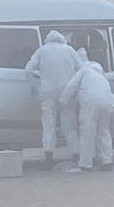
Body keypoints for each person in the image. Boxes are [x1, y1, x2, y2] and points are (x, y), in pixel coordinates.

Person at [25, 30, 82, 169]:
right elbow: (81, 69)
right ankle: (76, 153)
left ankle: (49, 155)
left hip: (47, 92)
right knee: (69, 123)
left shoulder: (41, 51)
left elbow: (28, 70)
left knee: (48, 123)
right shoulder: (70, 50)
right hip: (67, 92)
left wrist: (37, 85)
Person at [59, 60, 114, 172]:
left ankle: (86, 163)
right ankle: (107, 161)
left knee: (87, 132)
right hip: (108, 103)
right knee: (103, 131)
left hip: (90, 103)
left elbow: (71, 86)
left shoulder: (84, 71)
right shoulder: (101, 76)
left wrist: (62, 101)